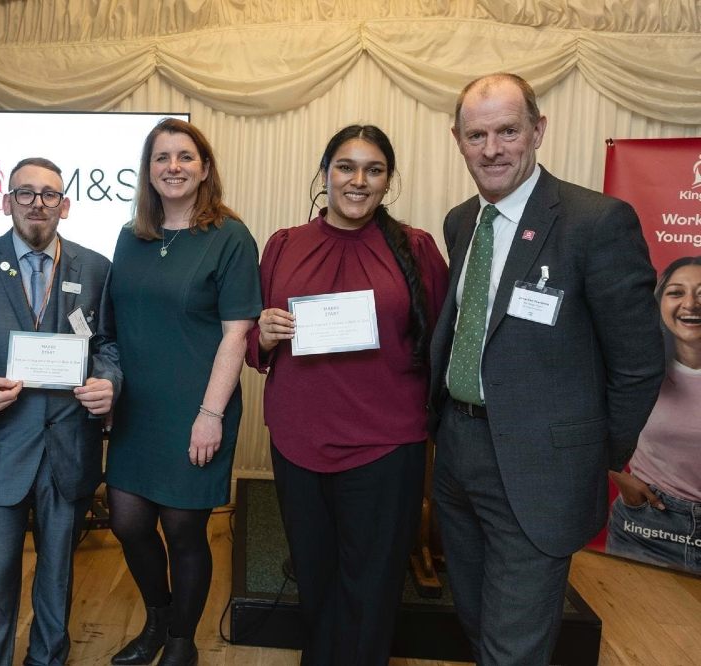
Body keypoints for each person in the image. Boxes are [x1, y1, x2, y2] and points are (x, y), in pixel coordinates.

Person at [429, 72, 666, 665]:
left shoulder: (595, 222)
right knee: (476, 618)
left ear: (538, 130)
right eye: (476, 134)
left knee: (515, 646)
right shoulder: (462, 221)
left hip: (540, 470)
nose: (491, 149)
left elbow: (638, 363)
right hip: (457, 452)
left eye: (507, 131)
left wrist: (593, 453)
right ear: (457, 139)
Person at [245, 124, 449, 665]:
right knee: (314, 573)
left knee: (372, 584)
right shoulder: (285, 245)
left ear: (388, 180)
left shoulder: (417, 248)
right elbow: (254, 342)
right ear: (325, 172)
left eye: (374, 169)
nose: (358, 181)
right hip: (298, 439)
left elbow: (440, 344)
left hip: (385, 445)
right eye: (346, 167)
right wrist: (263, 334)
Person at [0, 157, 120, 666]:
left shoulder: (96, 268)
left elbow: (105, 345)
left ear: (66, 204)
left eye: (50, 194)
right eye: (26, 193)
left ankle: (47, 660)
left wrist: (109, 382)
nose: (38, 203)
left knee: (57, 575)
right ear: (6, 201)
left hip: (69, 449)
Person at [105, 118, 261, 666]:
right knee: (126, 520)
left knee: (183, 527)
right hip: (136, 410)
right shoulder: (131, 238)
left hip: (198, 406)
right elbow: (114, 326)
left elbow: (237, 333)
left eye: (185, 156)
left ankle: (180, 642)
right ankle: (158, 617)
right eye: (161, 158)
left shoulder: (230, 237)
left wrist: (211, 414)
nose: (174, 167)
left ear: (205, 168)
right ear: (147, 171)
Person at [607, 256, 701, 573]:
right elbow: (584, 417)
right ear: (660, 302)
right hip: (648, 526)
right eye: (676, 292)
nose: (691, 303)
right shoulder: (638, 368)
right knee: (634, 621)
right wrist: (618, 476)